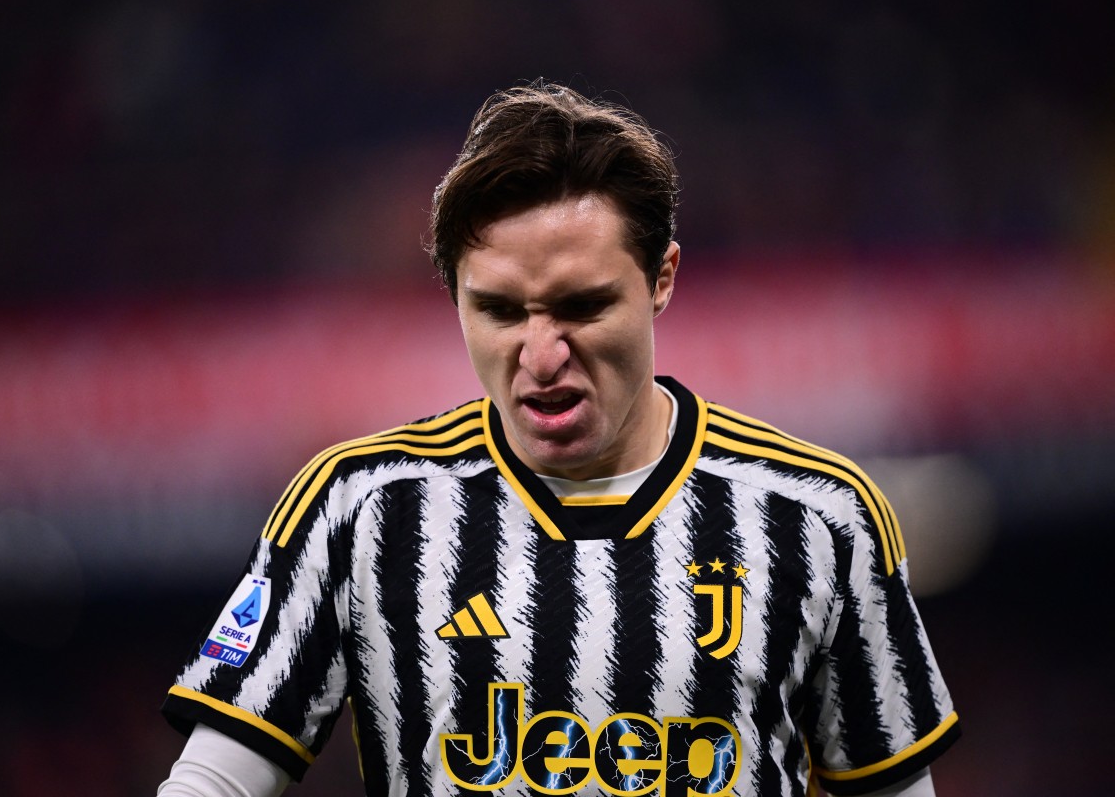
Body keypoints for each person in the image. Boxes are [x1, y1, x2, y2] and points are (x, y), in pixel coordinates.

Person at [158, 81, 959, 797]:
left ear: (663, 278)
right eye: (501, 312)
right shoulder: (362, 507)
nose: (540, 357)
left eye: (580, 306)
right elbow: (213, 779)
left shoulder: (818, 516)